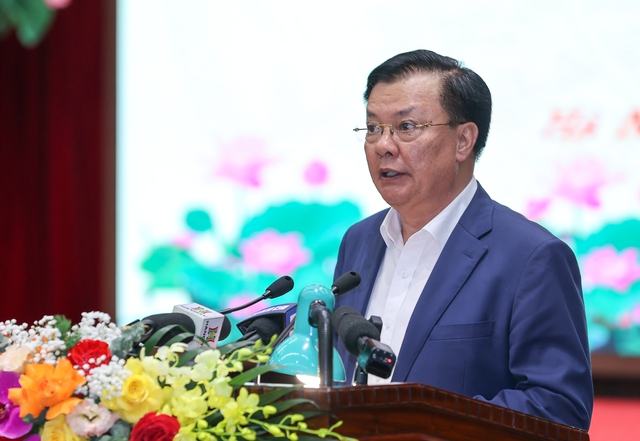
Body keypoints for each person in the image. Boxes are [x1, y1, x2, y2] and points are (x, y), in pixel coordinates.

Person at [333, 49, 593, 430]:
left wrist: (419, 425)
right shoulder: (358, 241)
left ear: (463, 141)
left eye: (406, 127)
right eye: (373, 128)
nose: (383, 145)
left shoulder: (532, 258)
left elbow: (558, 408)